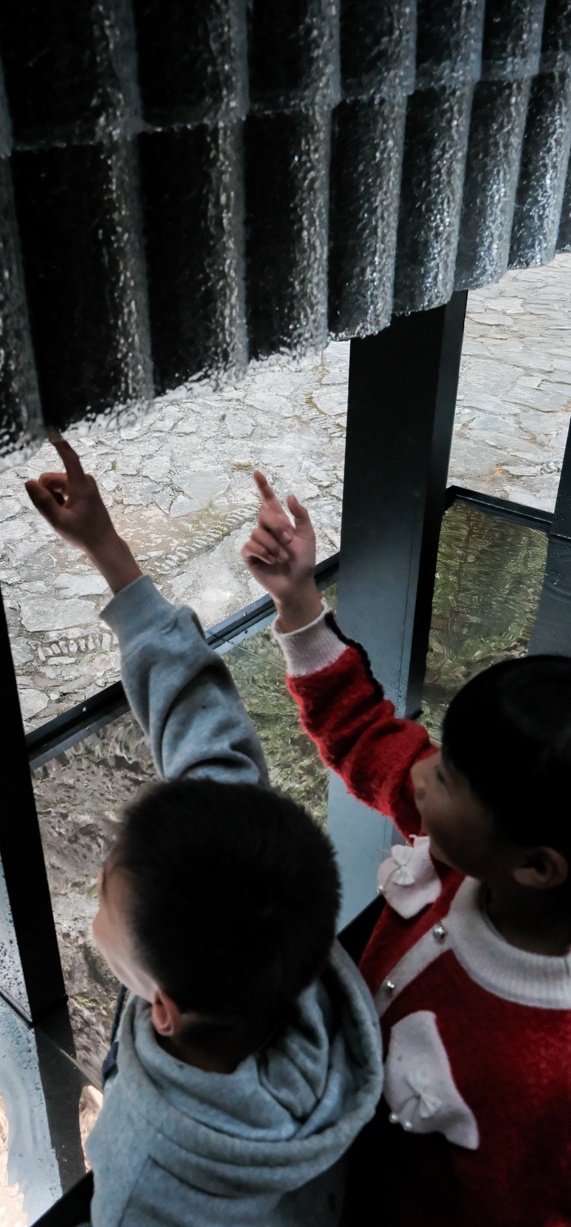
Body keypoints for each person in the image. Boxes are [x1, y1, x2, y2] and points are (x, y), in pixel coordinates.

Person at [25, 436, 383, 1227]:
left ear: (162, 1010)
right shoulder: (275, 950)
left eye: (104, 911)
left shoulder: (147, 1186)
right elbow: (199, 723)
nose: (98, 893)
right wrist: (108, 552)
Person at [241, 469, 571, 1227]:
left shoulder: (548, 1075)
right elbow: (362, 729)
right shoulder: (471, 853)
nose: (421, 778)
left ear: (537, 865)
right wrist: (297, 599)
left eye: (447, 777)